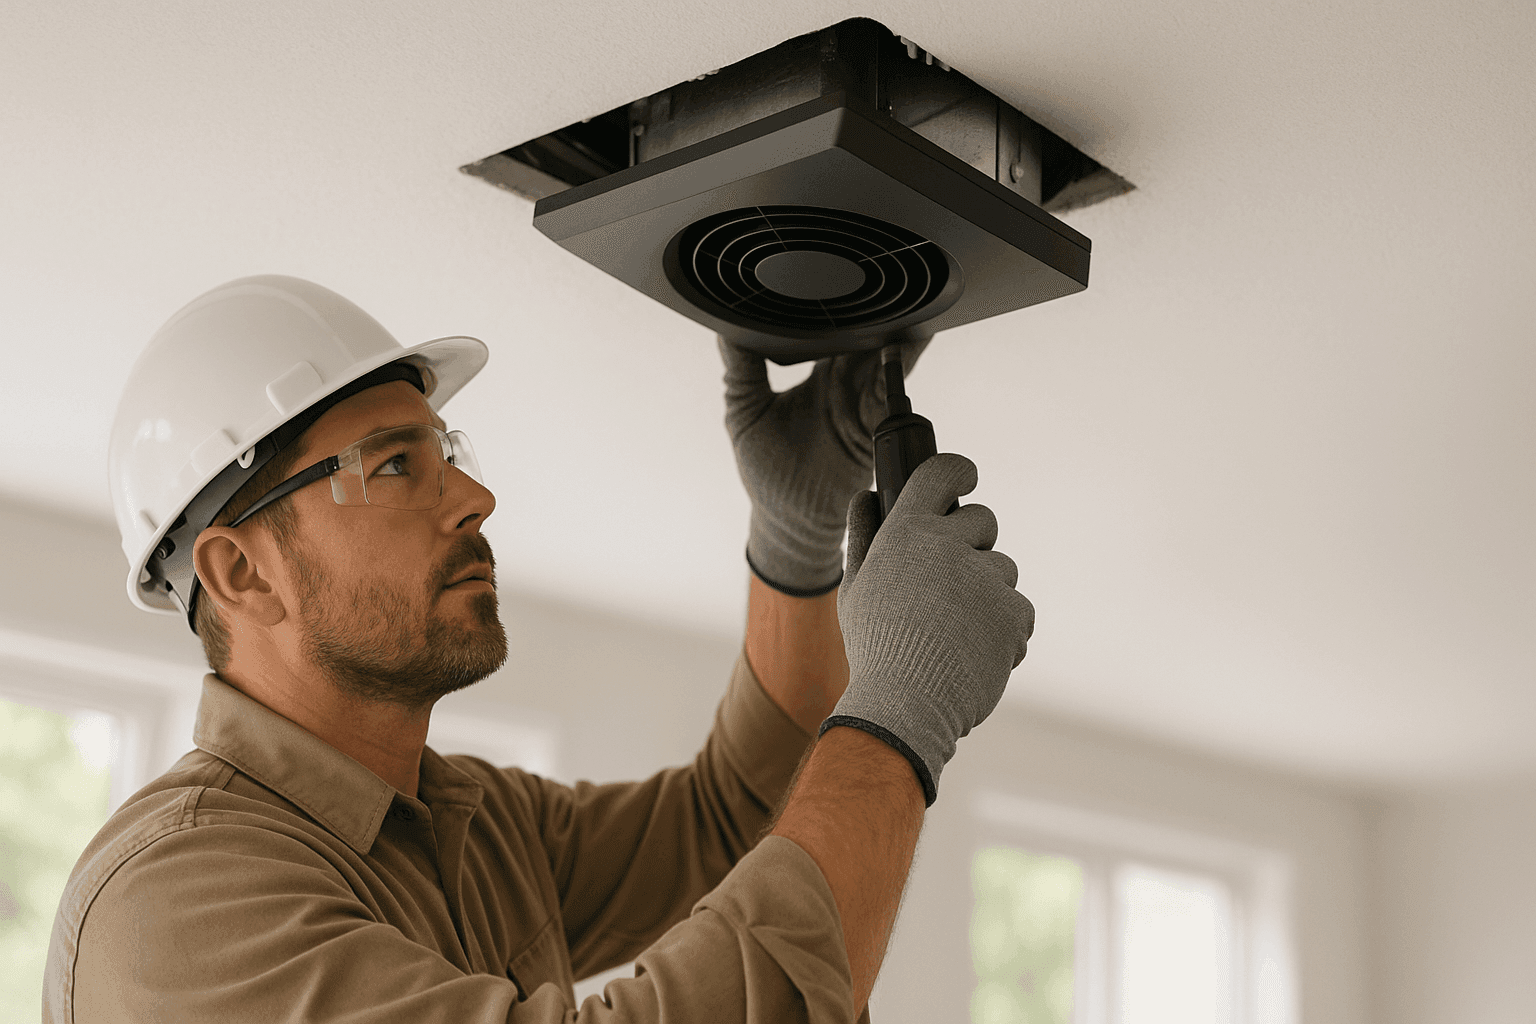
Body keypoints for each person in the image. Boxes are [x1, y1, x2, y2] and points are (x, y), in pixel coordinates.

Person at [44, 275, 1032, 1023]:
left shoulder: (473, 823)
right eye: (392, 463)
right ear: (239, 571)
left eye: (448, 453)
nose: (476, 497)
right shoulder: (176, 904)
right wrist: (901, 715)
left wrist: (792, 542)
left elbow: (736, 816)